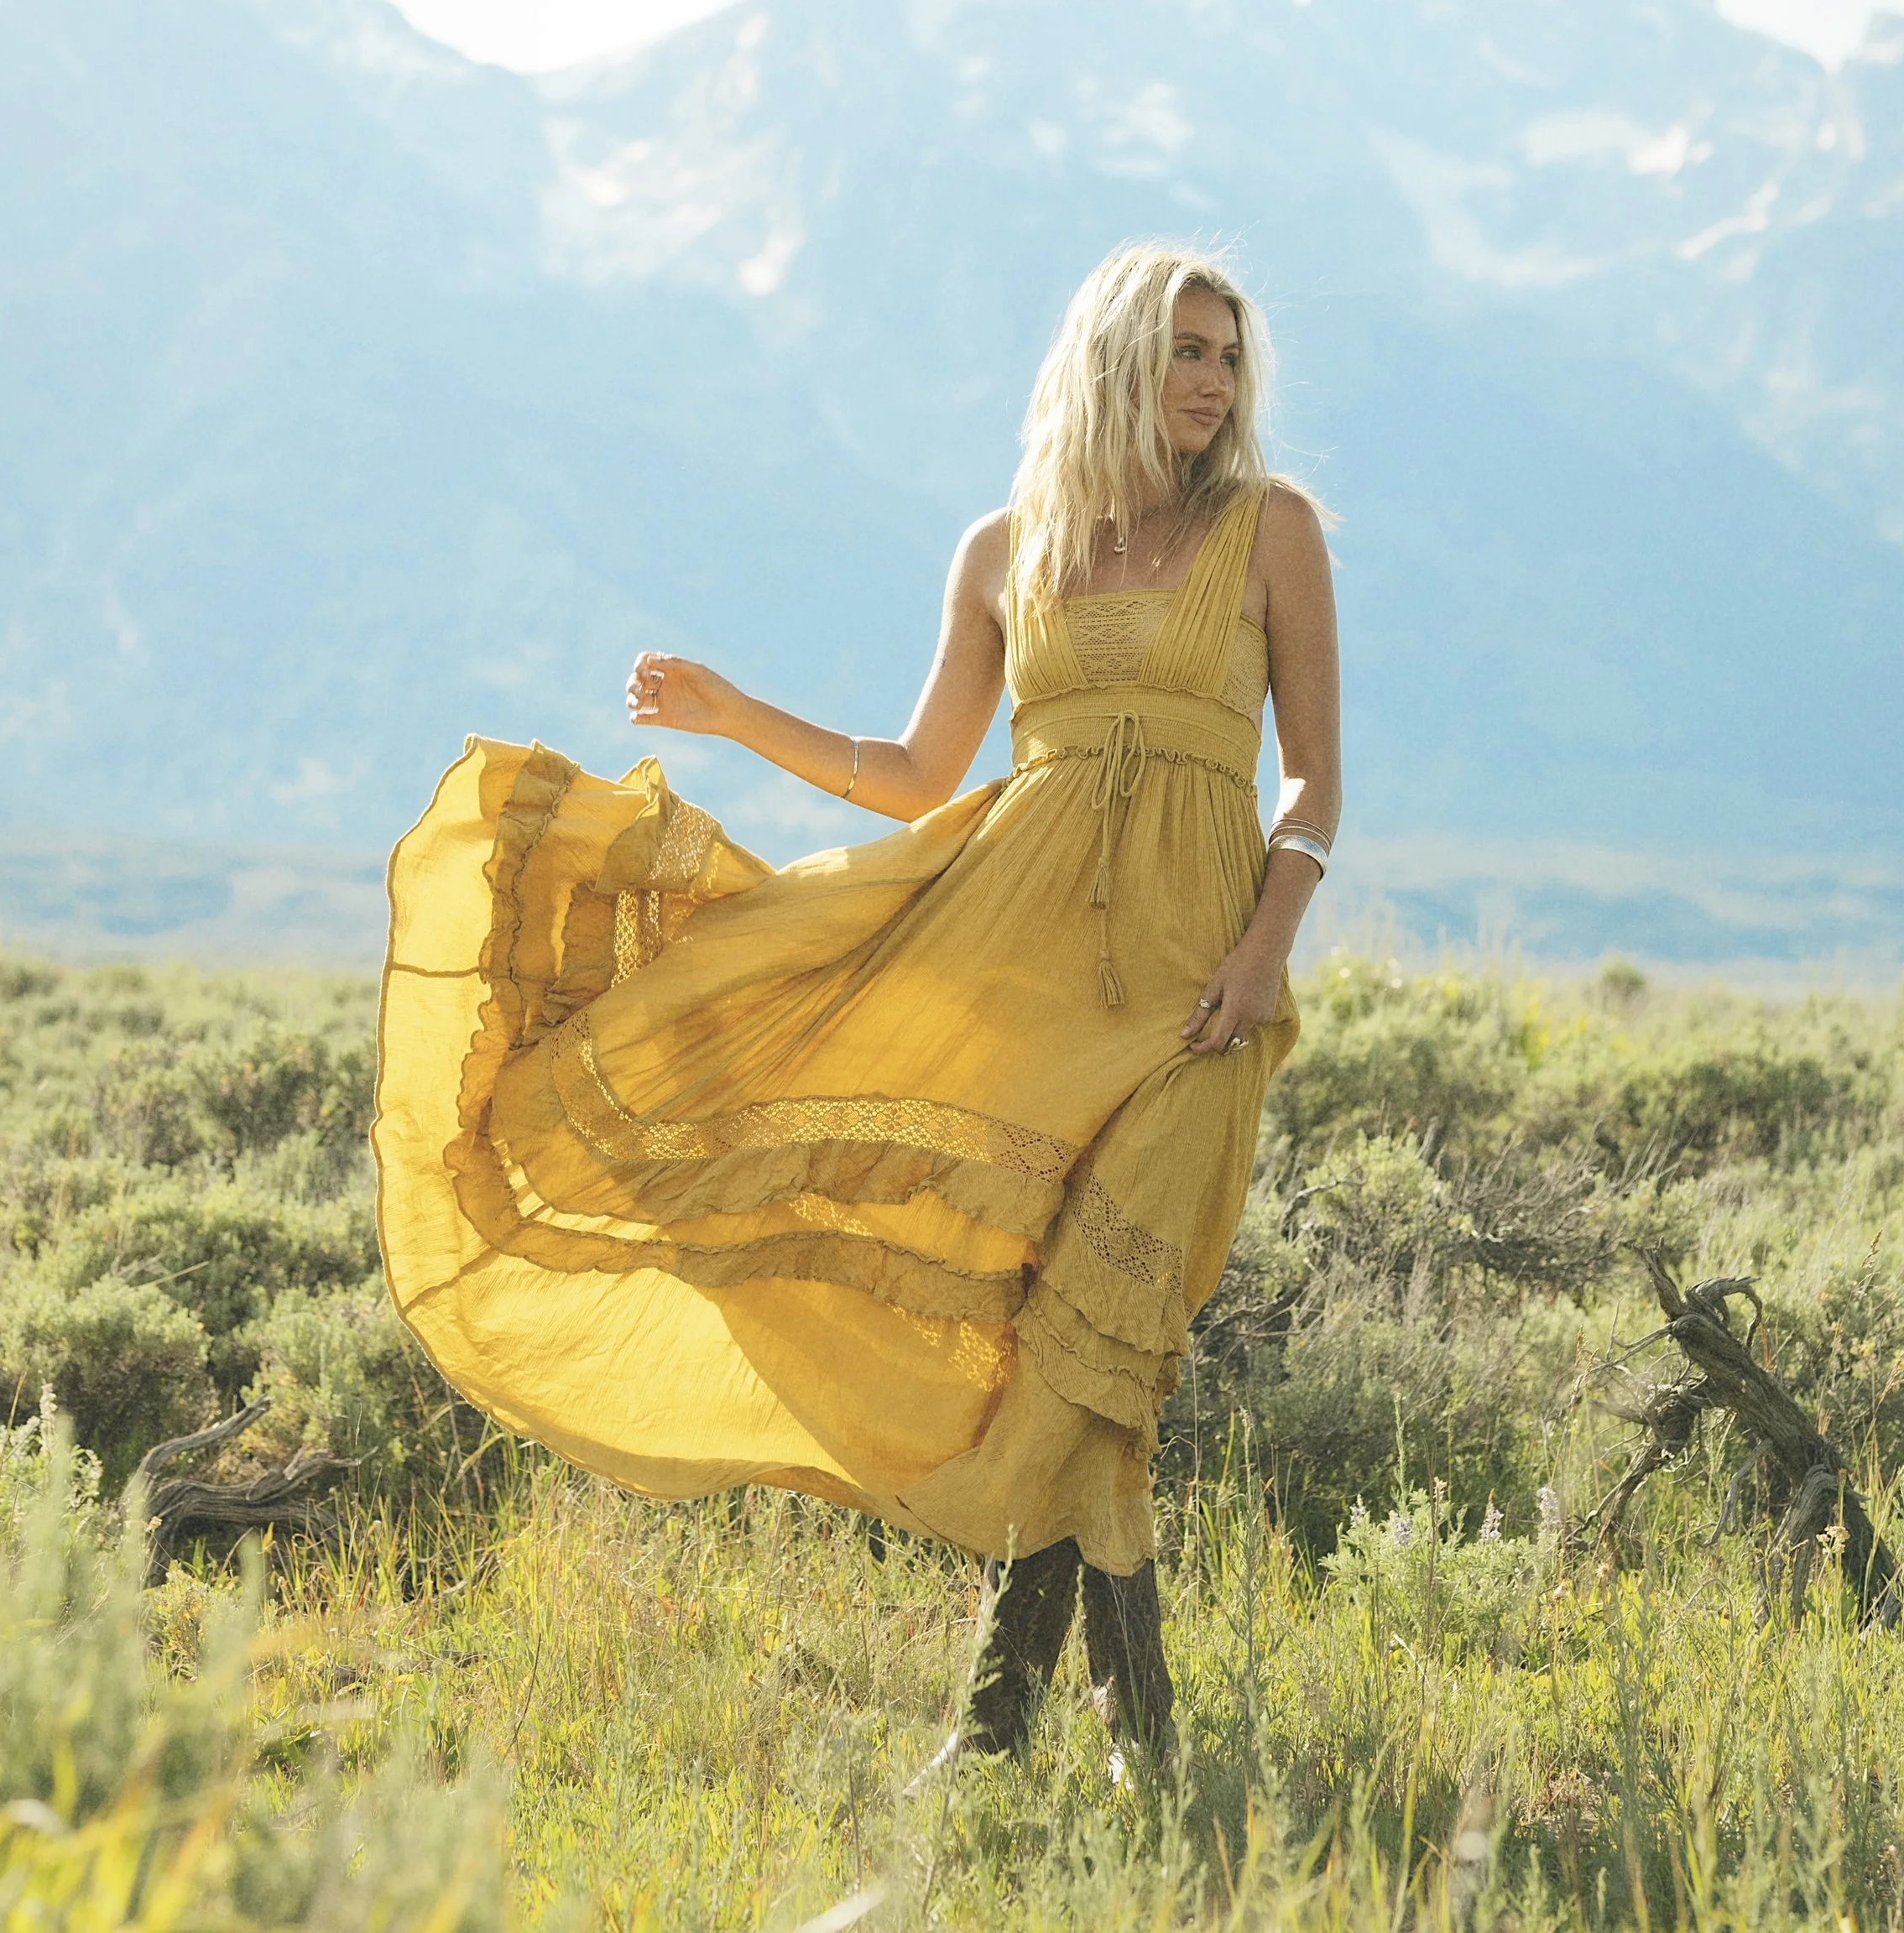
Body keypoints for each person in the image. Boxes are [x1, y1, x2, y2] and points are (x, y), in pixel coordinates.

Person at [373, 242, 1341, 1767]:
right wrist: (729, 711)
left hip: (1204, 984)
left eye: (1228, 355)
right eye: (1184, 352)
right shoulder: (1003, 549)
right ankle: (1068, 1725)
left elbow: (1313, 778)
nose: (1215, 384)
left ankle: (1052, 1722)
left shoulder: (1272, 529)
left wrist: (1268, 942)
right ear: (1110, 360)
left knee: (1118, 1324)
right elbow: (913, 774)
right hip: (1016, 965)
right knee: (1067, 1351)